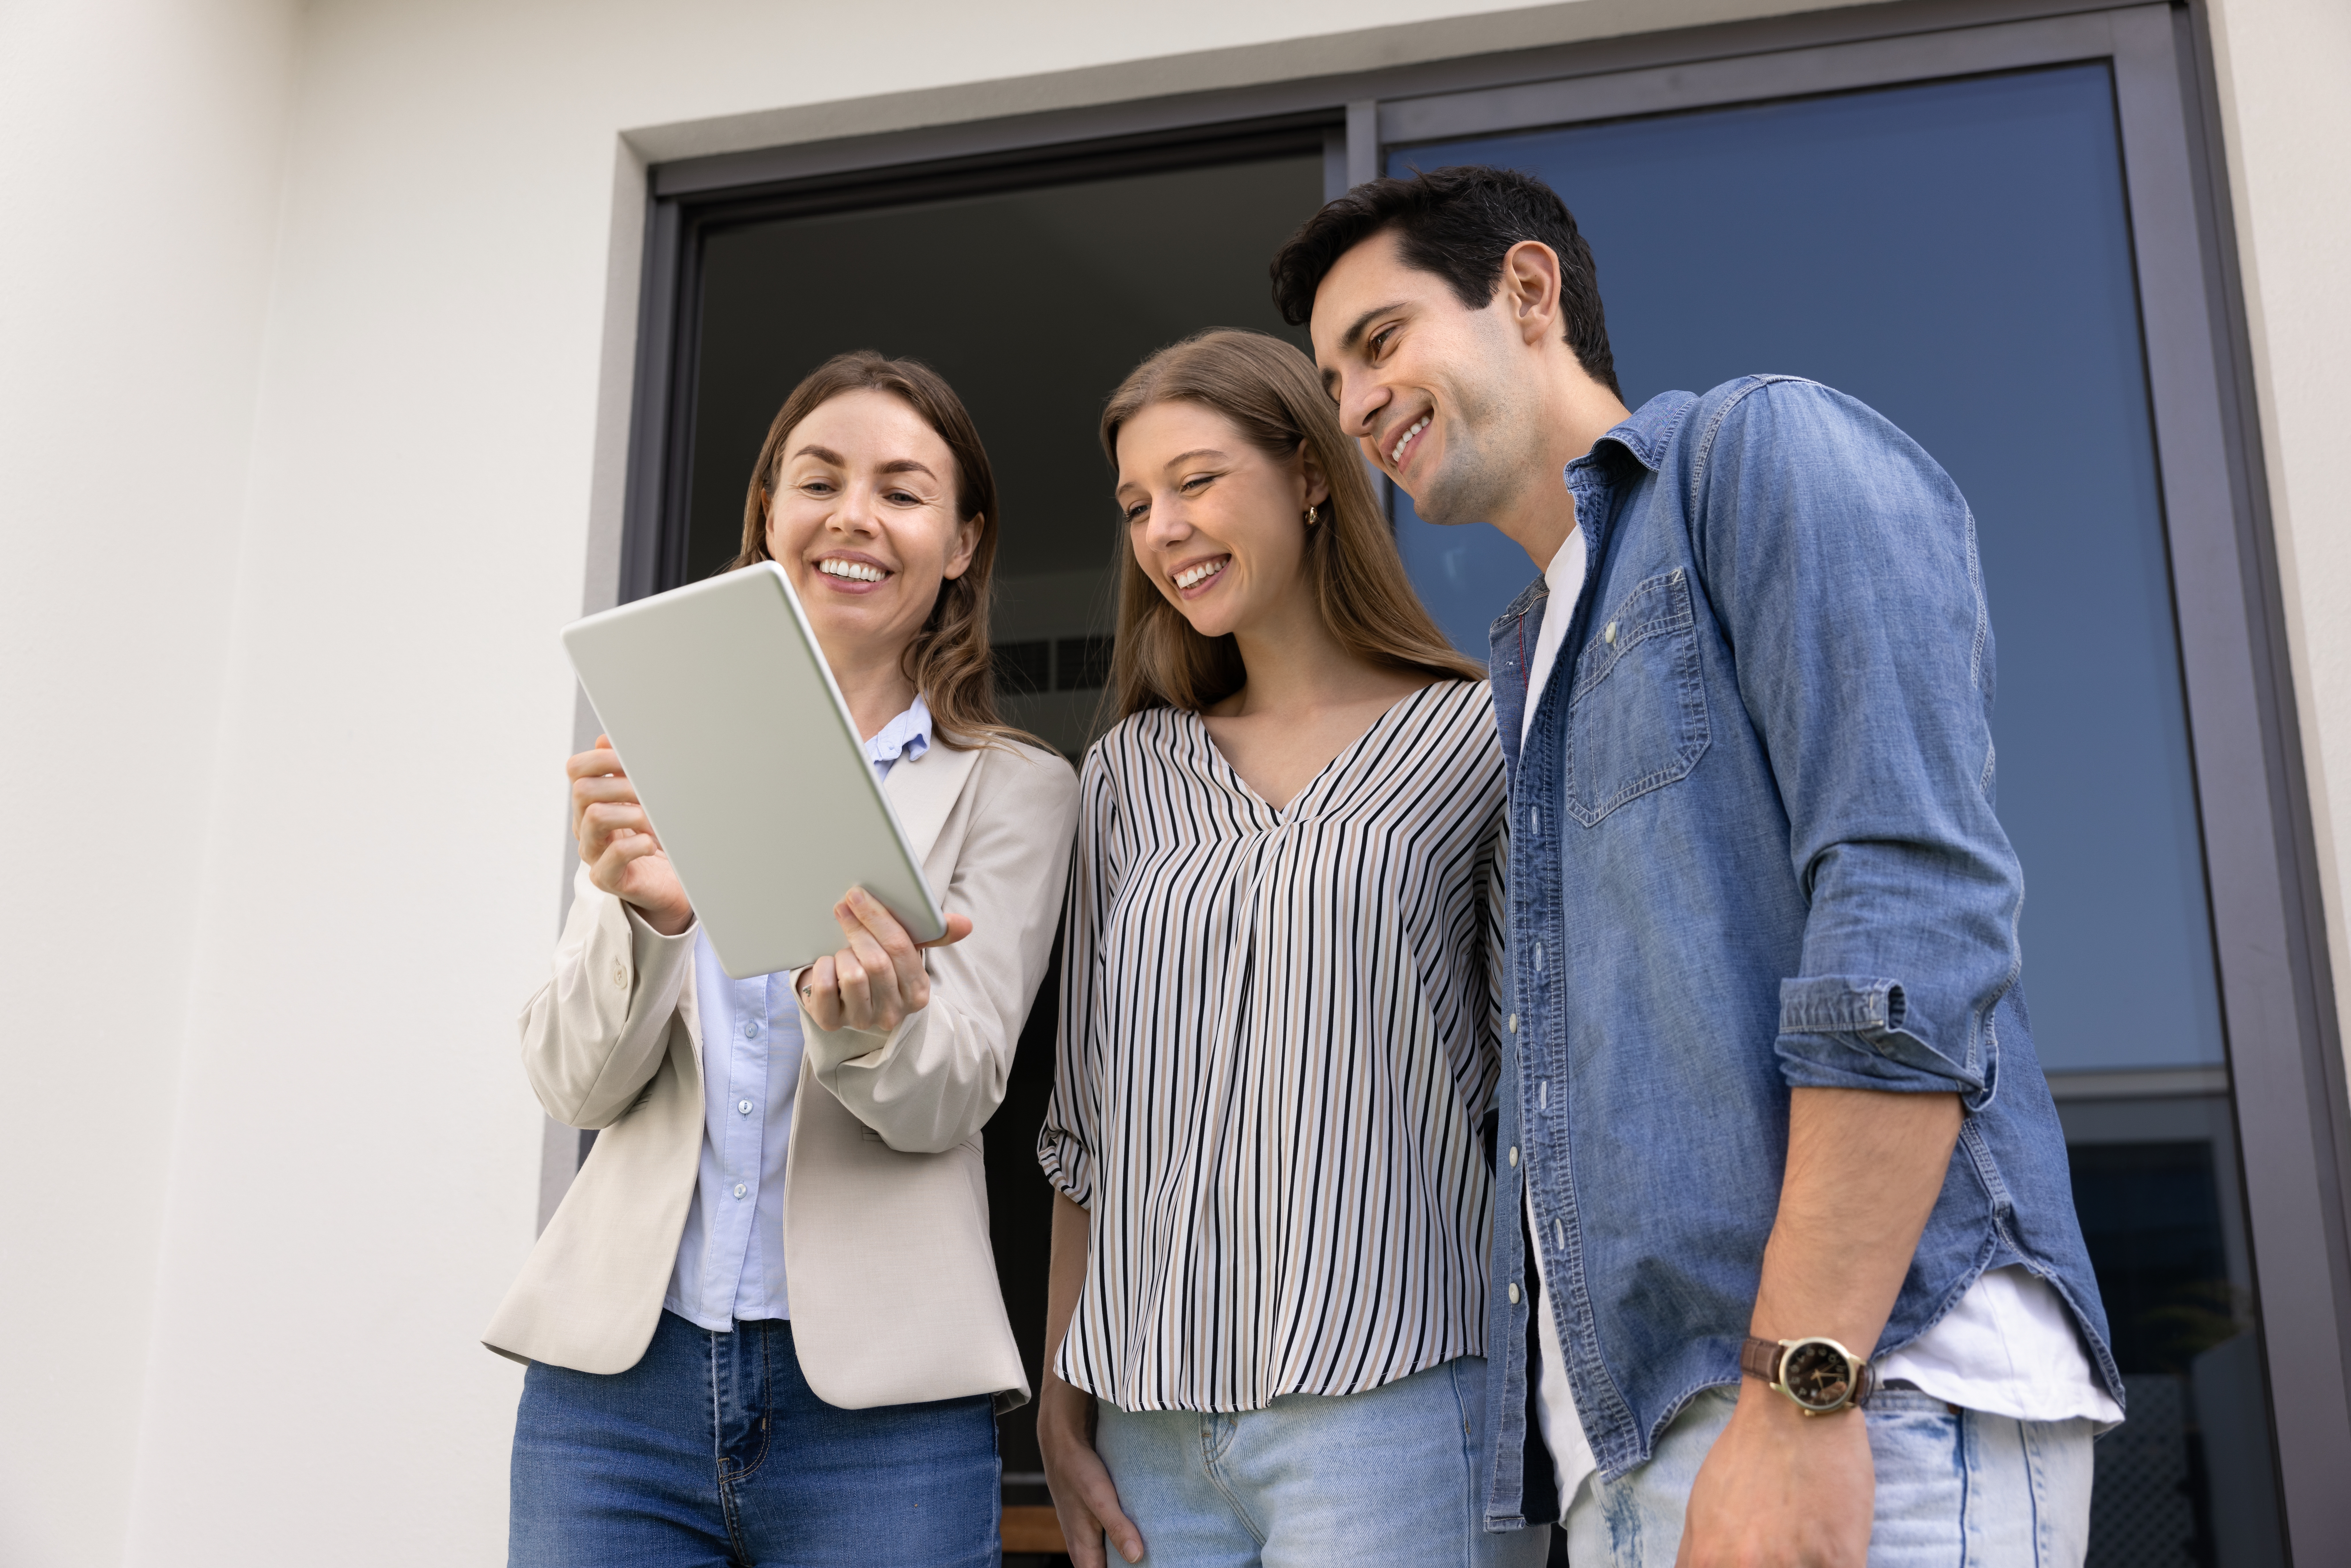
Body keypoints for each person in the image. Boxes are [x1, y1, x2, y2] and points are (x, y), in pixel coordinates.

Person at [1272, 167, 2123, 1567]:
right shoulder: (1525, 660)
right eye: (1331, 377)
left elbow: (1913, 907)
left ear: (1529, 293)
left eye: (1380, 341)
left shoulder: (1751, 449)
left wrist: (1801, 1390)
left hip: (1865, 1400)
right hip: (1646, 1448)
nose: (1355, 403)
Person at [486, 352, 1081, 1567]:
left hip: (881, 1418)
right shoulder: (656, 741)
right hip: (614, 1395)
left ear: (962, 544)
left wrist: (864, 1024)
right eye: (818, 481)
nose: (853, 515)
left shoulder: (1017, 789)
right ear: (770, 516)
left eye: (903, 492)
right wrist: (645, 920)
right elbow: (571, 1084)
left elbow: (954, 1091)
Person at [1034, 328, 1549, 1568]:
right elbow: (1083, 1137)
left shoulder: (1472, 741)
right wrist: (1059, 1409)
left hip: (1387, 1405)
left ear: (1311, 474)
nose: (1162, 527)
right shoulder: (1123, 776)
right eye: (1135, 503)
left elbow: (1541, 1094)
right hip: (1148, 1425)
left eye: (1197, 480)